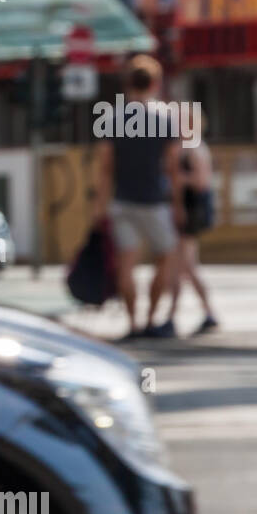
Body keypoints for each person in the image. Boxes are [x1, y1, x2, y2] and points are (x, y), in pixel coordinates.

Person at [94, 55, 182, 339]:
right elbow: (171, 168)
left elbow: (106, 168)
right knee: (166, 257)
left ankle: (132, 324)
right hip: (155, 201)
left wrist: (100, 207)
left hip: (122, 200)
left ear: (127, 83)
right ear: (155, 83)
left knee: (126, 264)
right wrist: (178, 204)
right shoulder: (165, 118)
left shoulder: (113, 118)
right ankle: (151, 320)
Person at [167, 138, 219, 334]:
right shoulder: (191, 146)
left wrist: (179, 178)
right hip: (189, 212)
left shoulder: (192, 148)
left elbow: (201, 181)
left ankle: (205, 313)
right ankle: (173, 316)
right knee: (182, 267)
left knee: (186, 266)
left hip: (190, 212)